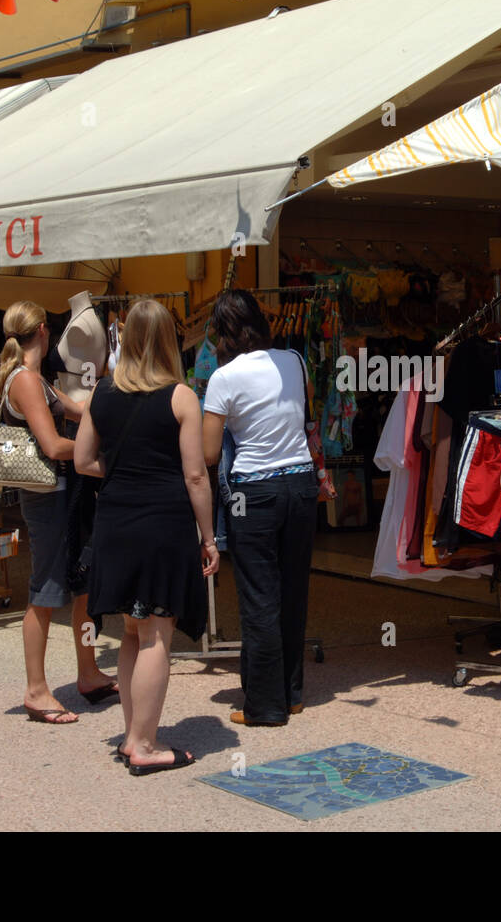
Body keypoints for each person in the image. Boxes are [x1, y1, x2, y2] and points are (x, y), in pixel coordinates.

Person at [75, 300, 217, 774]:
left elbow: (81, 461)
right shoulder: (180, 397)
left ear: (127, 339)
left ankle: (132, 734)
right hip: (163, 524)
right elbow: (195, 476)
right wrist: (210, 536)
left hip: (115, 520)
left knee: (132, 631)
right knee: (159, 630)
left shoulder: (102, 393)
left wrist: (124, 475)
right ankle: (144, 744)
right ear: (169, 341)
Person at [0, 301, 116, 724]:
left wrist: (117, 396)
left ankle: (87, 673)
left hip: (67, 493)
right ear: (44, 331)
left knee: (82, 586)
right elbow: (53, 445)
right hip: (49, 498)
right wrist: (98, 457)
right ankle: (36, 690)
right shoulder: (26, 381)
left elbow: (80, 410)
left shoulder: (37, 380)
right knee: (45, 592)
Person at [202, 290, 318, 727]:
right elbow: (306, 408)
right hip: (301, 486)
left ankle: (265, 706)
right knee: (292, 592)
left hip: (255, 491)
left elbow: (211, 454)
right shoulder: (294, 359)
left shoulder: (223, 378)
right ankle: (290, 693)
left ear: (222, 331)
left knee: (259, 597)